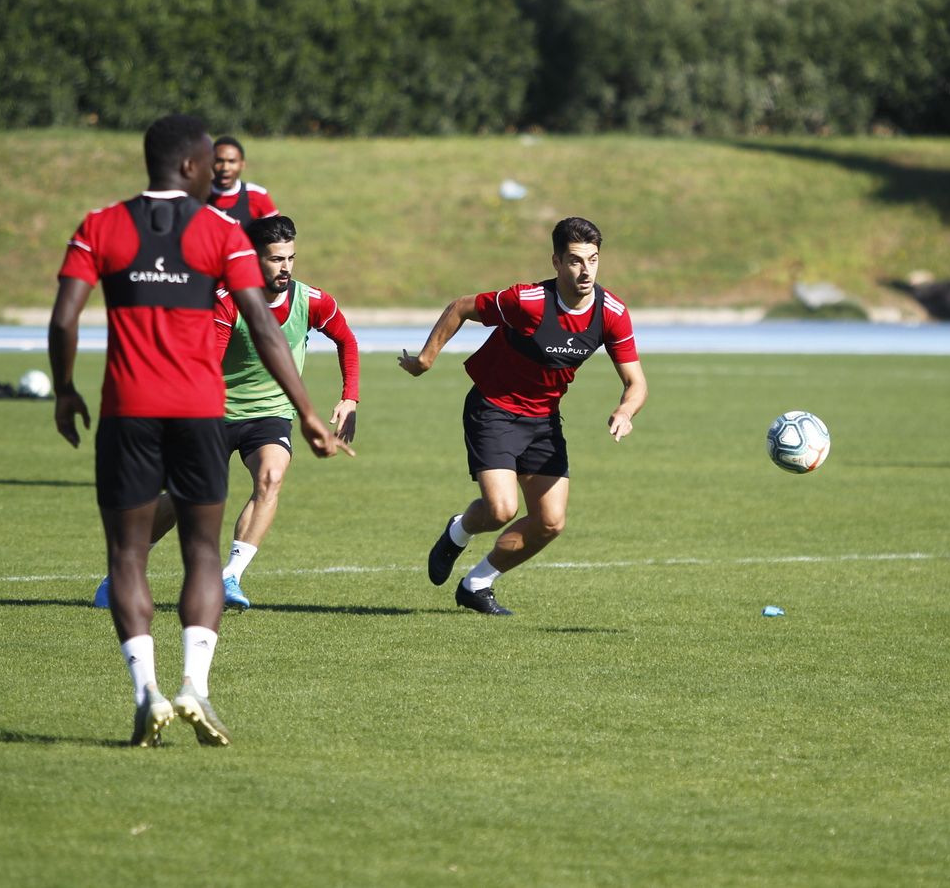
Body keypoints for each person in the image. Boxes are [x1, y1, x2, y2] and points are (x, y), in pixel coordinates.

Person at [50, 114, 351, 749]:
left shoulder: (99, 225)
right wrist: (306, 410)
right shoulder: (221, 233)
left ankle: (146, 692)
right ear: (191, 166)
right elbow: (264, 327)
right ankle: (195, 684)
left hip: (128, 406)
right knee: (203, 551)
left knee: (127, 555)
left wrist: (65, 388)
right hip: (199, 406)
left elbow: (64, 319)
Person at [91, 214, 360, 611]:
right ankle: (123, 569)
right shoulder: (227, 301)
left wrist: (349, 397)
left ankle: (230, 576)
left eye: (290, 258)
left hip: (270, 414)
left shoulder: (313, 301)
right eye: (275, 259)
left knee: (271, 476)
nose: (285, 267)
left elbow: (347, 340)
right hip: (212, 413)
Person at [398, 217, 648, 616]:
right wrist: (426, 360)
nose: (585, 271)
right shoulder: (528, 301)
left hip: (544, 420)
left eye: (593, 259)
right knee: (500, 510)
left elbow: (636, 382)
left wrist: (625, 409)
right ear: (556, 262)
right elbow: (461, 307)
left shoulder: (611, 313)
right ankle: (458, 531)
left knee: (550, 522)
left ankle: (477, 584)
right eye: (575, 260)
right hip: (494, 409)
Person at [209, 136, 279, 224]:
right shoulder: (197, 195)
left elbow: (279, 231)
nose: (225, 168)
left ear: (242, 164)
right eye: (219, 161)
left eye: (232, 161)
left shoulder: (257, 195)